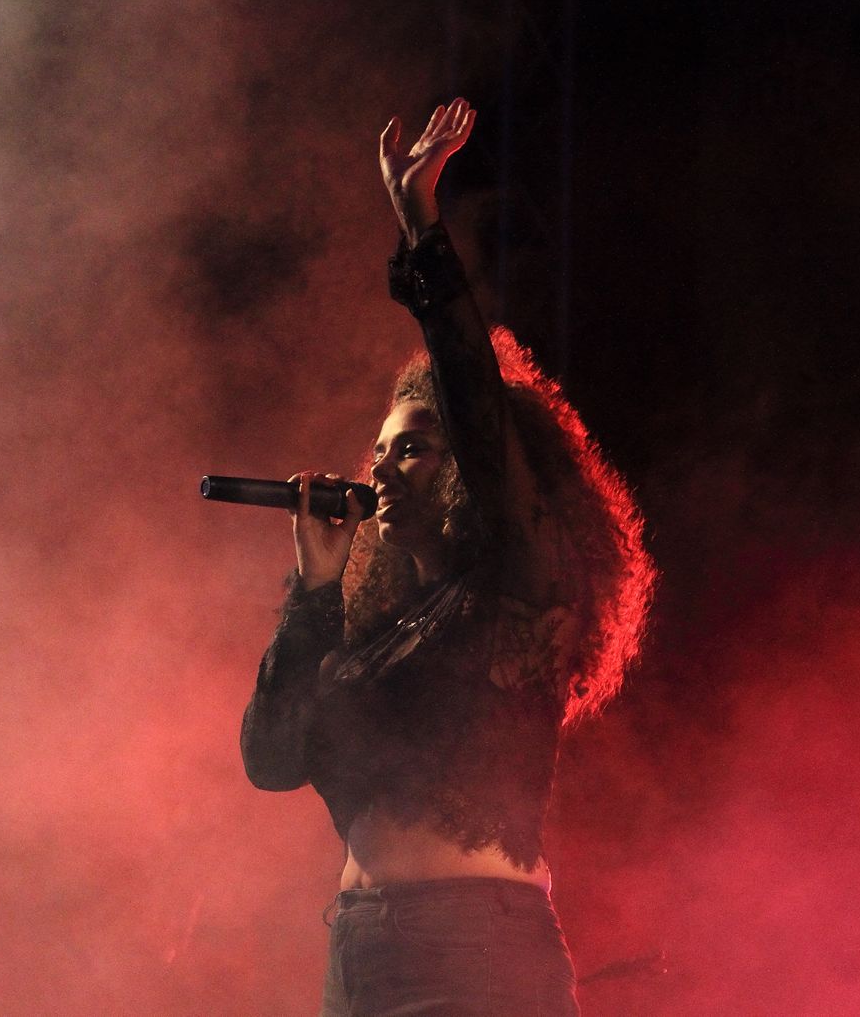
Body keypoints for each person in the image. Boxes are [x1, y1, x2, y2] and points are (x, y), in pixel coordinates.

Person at [240, 97, 656, 1016]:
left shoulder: (521, 585)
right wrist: (313, 591)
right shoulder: (382, 630)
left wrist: (420, 223)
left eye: (414, 448)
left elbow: (474, 397)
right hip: (359, 948)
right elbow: (271, 758)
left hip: (474, 949)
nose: (383, 467)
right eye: (380, 450)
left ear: (467, 468)